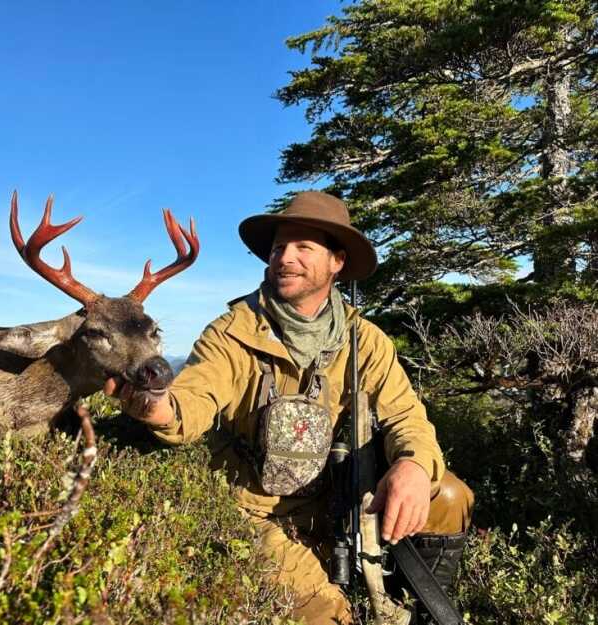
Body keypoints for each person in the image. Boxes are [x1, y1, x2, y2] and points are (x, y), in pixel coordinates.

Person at [105, 191, 473, 625]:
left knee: (448, 496)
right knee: (330, 616)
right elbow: (196, 395)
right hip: (254, 513)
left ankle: (414, 608)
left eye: (303, 247)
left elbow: (406, 415)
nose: (285, 257)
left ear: (337, 262)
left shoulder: (364, 339)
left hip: (339, 496)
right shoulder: (231, 333)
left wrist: (412, 465)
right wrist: (162, 409)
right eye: (279, 247)